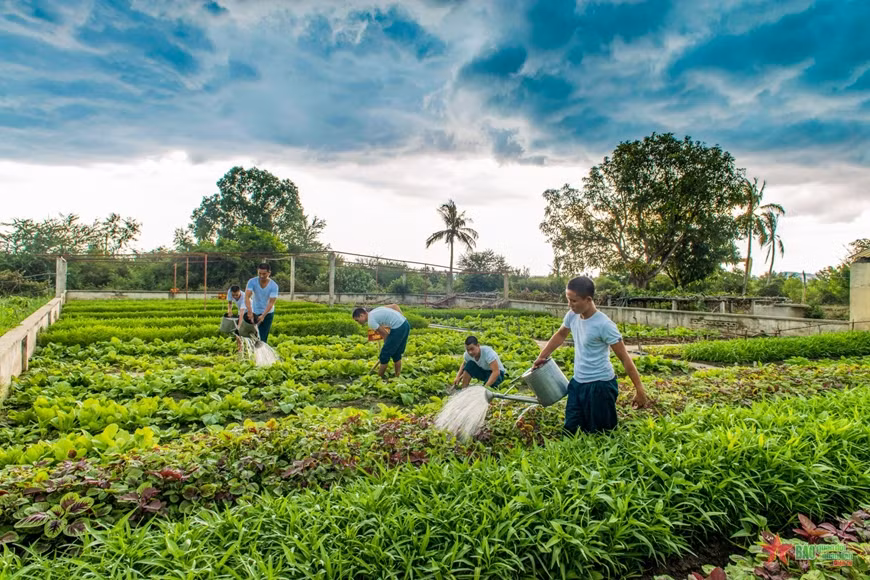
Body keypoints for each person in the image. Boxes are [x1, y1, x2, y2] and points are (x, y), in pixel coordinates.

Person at [534, 276, 649, 436]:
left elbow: (624, 358)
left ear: (588, 299)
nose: (570, 304)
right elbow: (560, 335)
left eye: (573, 301)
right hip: (577, 383)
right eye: (568, 299)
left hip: (600, 386)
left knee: (602, 434)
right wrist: (542, 356)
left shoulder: (604, 325)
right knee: (571, 431)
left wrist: (639, 389)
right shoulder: (572, 315)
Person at [352, 304, 410, 378]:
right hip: (405, 324)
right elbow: (394, 306)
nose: (358, 323)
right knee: (397, 354)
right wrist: (401, 317)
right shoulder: (375, 311)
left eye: (357, 320)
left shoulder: (371, 321)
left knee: (384, 355)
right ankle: (397, 377)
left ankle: (378, 379)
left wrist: (386, 347)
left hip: (398, 328)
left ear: (362, 315)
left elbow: (385, 334)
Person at [244, 263, 279, 344]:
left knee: (263, 337)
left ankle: (261, 353)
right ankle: (252, 354)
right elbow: (247, 297)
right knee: (251, 335)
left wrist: (263, 315)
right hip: (254, 311)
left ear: (269, 273)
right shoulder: (252, 281)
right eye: (259, 273)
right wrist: (249, 312)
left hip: (267, 313)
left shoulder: (274, 286)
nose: (261, 276)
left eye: (264, 274)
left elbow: (271, 303)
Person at [225, 285, 247, 352]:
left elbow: (242, 313)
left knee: (244, 330)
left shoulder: (244, 297)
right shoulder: (230, 291)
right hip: (239, 310)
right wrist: (229, 311)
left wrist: (239, 326)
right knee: (237, 333)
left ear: (240, 292)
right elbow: (230, 302)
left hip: (248, 311)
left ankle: (248, 347)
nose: (235, 297)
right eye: (233, 295)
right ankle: (240, 349)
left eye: (236, 295)